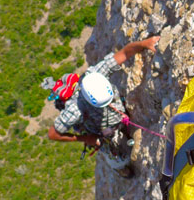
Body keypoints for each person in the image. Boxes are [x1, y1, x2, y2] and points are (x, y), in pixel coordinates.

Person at [47, 36, 159, 177]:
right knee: (115, 158)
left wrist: (144, 44)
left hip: (119, 116)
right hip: (102, 131)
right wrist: (86, 139)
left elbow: (125, 53)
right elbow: (53, 134)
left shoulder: (96, 73)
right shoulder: (75, 109)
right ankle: (120, 168)